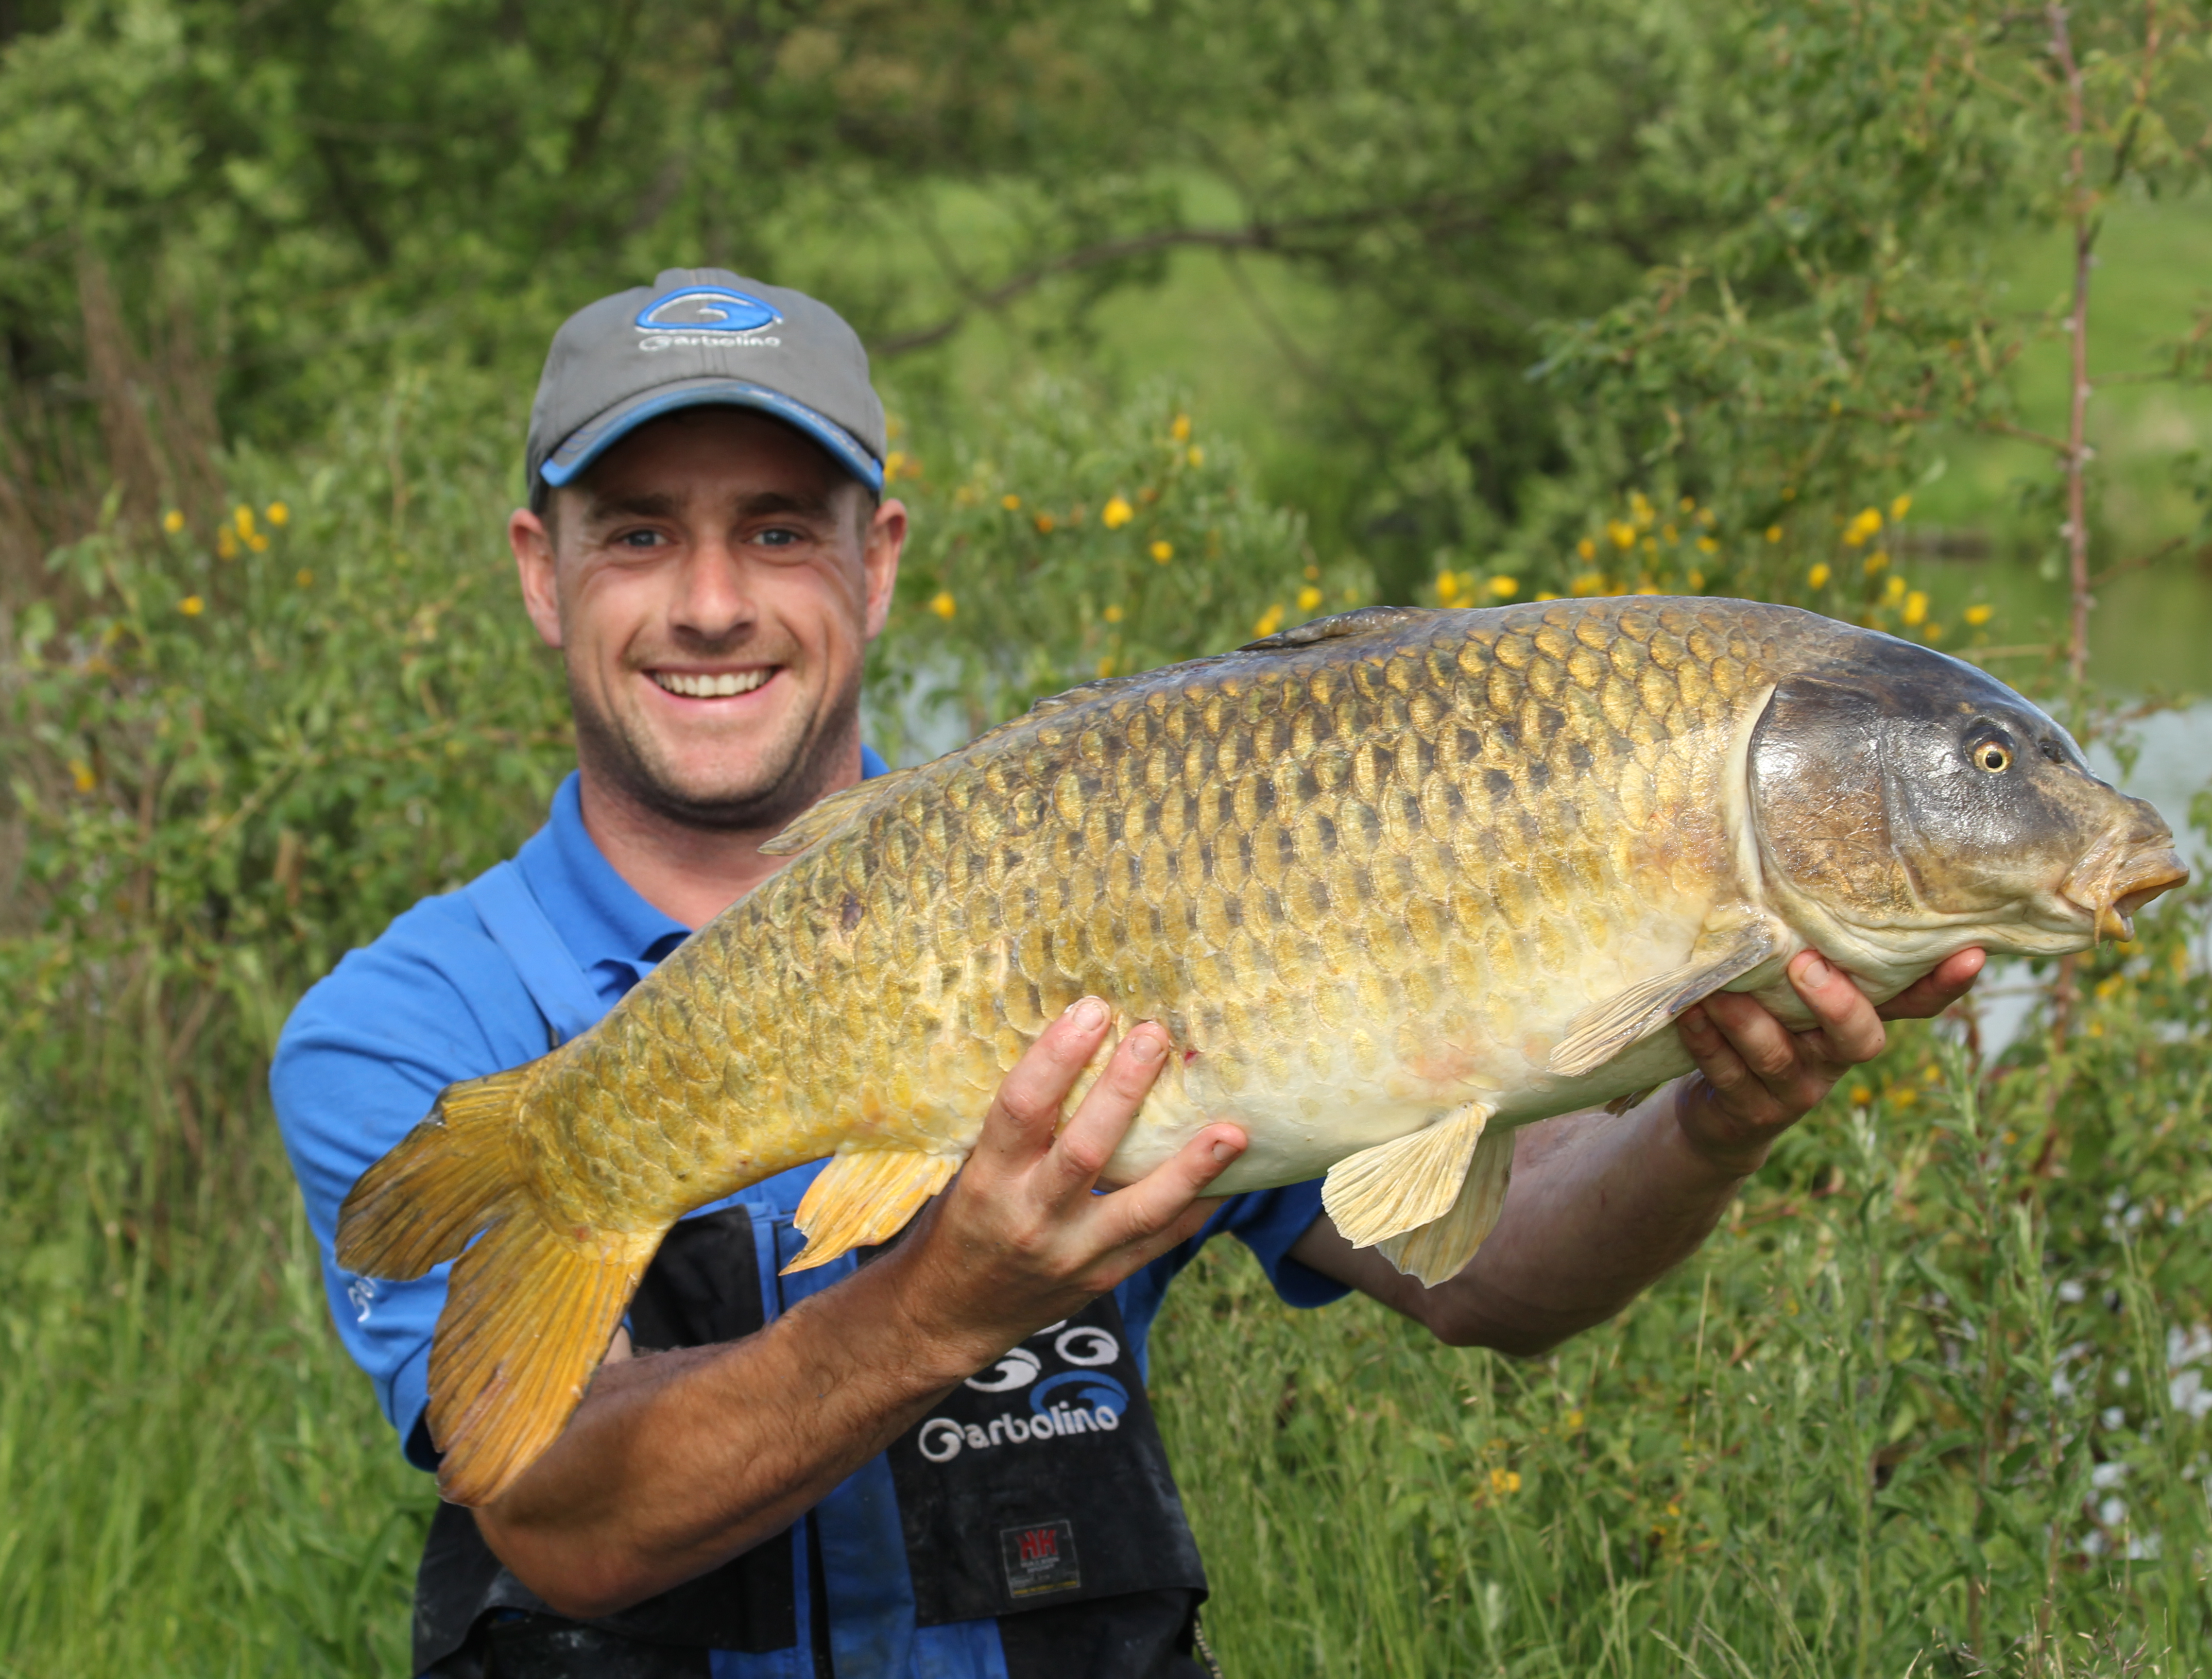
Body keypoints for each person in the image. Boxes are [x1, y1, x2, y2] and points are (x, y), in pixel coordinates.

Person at [273, 268, 1984, 1679]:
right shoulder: (407, 1031)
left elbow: (1489, 1280)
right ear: (537, 569)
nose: (712, 601)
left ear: (876, 564)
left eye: (782, 532)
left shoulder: (1126, 857)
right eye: (639, 534)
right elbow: (561, 1520)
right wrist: (947, 1301)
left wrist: (1708, 1123)